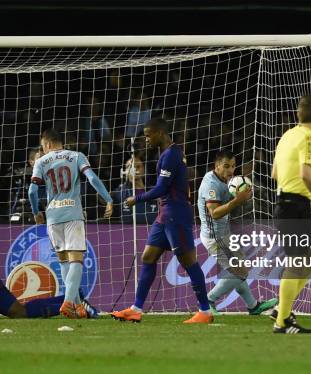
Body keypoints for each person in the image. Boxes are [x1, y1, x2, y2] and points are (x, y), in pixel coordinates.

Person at [111, 117, 213, 324]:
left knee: (188, 262)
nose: (146, 140)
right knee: (148, 257)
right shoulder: (169, 153)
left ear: (159, 133)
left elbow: (162, 188)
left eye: (148, 135)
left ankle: (205, 311)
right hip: (165, 214)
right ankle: (136, 309)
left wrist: (136, 198)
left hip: (176, 214)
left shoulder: (171, 155)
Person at [29, 128, 113, 319]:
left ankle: (77, 305)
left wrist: (36, 212)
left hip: (52, 217)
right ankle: (69, 302)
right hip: (73, 213)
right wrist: (108, 198)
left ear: (48, 144)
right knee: (76, 259)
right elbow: (92, 178)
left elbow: (32, 192)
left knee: (64, 261)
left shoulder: (40, 161)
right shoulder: (77, 156)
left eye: (43, 146)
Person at [271, 95, 311, 333]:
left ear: (298, 113)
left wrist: (310, 193)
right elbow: (306, 174)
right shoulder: (308, 137)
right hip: (295, 207)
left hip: (287, 203)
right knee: (297, 262)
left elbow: (275, 173)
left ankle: (281, 311)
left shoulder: (287, 135)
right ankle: (281, 320)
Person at [198, 149, 278, 315]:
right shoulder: (211, 184)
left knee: (238, 272)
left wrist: (242, 198)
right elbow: (215, 213)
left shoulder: (228, 181)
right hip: (215, 237)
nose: (230, 170)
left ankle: (253, 306)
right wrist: (237, 200)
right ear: (217, 166)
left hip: (224, 234)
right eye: (226, 166)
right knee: (240, 271)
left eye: (233, 166)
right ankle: (208, 301)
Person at [111, 156, 158, 224]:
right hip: (127, 232)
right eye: (130, 167)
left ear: (144, 170)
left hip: (151, 231)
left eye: (138, 166)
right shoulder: (119, 192)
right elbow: (104, 200)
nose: (134, 169)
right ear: (125, 171)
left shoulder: (155, 191)